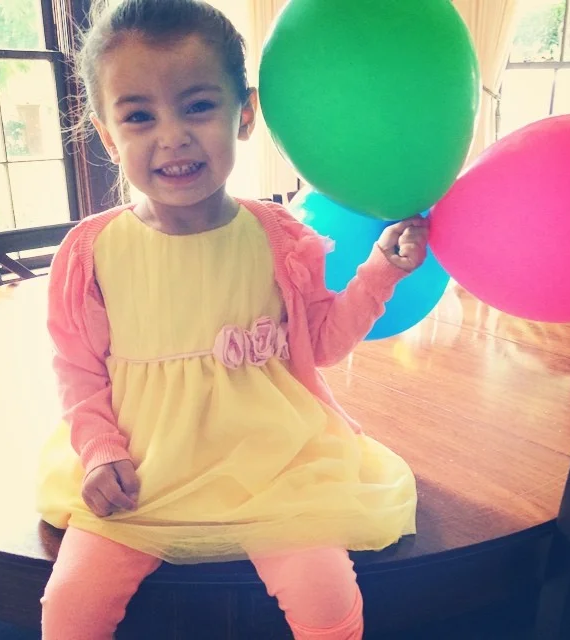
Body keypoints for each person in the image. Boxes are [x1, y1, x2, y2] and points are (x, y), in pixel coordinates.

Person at [37, 1, 428, 638]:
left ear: (244, 114)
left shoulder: (279, 237)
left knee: (327, 601)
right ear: (108, 136)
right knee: (69, 607)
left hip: (274, 465)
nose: (172, 136)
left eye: (198, 106)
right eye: (139, 116)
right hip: (144, 470)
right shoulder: (91, 252)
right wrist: (101, 450)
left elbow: (321, 344)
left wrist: (379, 271)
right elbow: (77, 371)